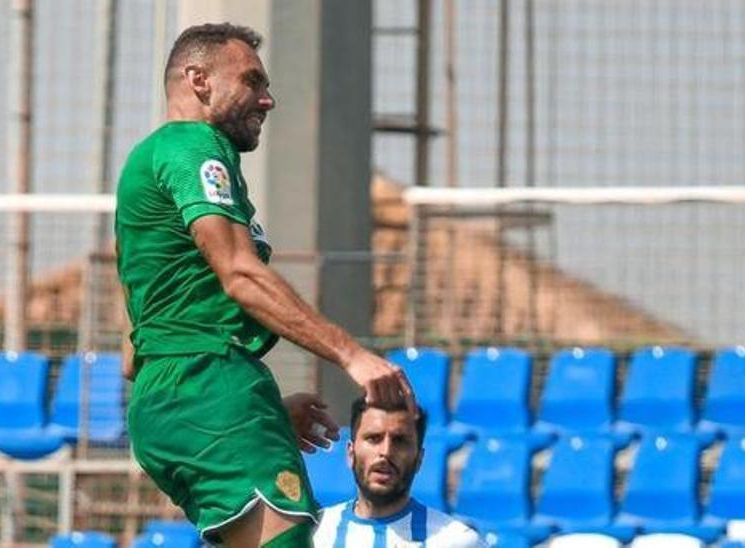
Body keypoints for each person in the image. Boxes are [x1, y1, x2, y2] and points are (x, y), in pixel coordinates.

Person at [115, 23, 416, 548]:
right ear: (198, 80)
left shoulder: (151, 161)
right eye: (252, 80)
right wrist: (351, 355)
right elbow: (240, 274)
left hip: (178, 394)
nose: (268, 98)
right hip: (207, 386)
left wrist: (261, 411)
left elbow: (133, 351)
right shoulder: (194, 147)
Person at [313, 398, 487, 547]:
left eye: (400, 441)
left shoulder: (457, 541)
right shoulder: (314, 534)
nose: (386, 452)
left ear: (419, 459)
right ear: (350, 453)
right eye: (374, 438)